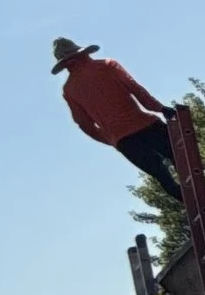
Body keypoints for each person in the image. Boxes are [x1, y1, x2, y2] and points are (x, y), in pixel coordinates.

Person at [51, 38, 180, 199]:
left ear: (64, 64)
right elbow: (135, 89)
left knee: (163, 177)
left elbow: (84, 125)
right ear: (83, 53)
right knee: (182, 158)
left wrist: (111, 139)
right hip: (146, 125)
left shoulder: (69, 89)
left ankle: (196, 208)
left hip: (124, 141)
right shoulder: (106, 66)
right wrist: (160, 108)